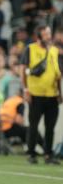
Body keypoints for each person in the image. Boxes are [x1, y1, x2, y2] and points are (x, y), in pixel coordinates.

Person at [20, 25, 62, 165]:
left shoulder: (55, 51)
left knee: (50, 127)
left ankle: (48, 154)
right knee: (33, 125)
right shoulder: (30, 49)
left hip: (52, 94)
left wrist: (59, 93)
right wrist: (25, 90)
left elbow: (57, 74)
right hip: (35, 94)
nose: (48, 37)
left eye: (49, 33)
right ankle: (31, 153)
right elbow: (23, 70)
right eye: (45, 34)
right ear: (38, 36)